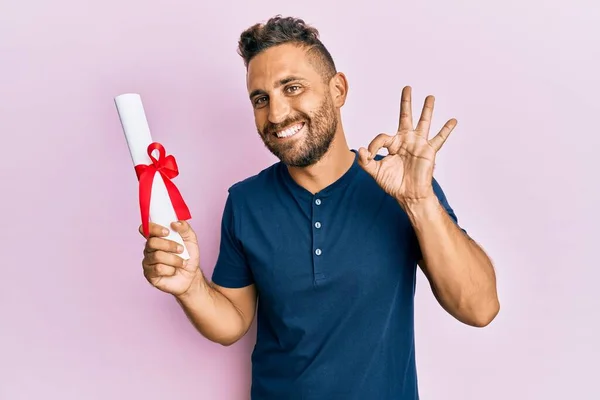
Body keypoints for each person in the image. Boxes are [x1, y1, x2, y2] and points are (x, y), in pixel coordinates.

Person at [139, 15, 500, 400]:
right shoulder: (245, 202)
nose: (276, 114)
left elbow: (479, 309)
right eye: (261, 99)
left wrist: (420, 202)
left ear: (338, 89)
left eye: (292, 88)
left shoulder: (403, 186)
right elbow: (233, 321)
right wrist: (190, 287)